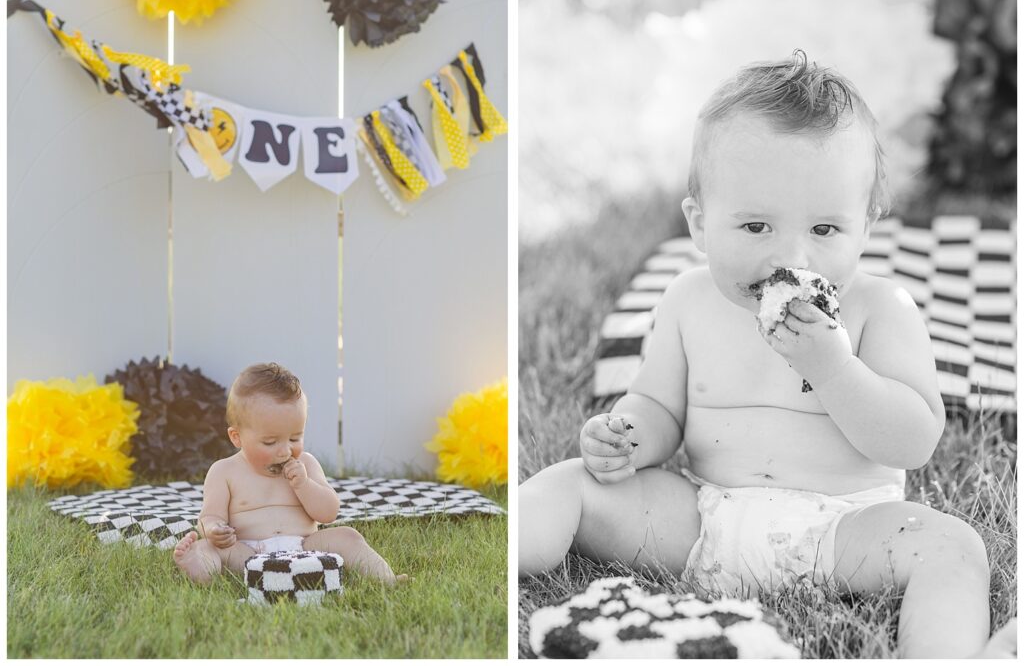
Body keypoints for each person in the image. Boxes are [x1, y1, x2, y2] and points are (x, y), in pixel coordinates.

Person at [518, 51, 1015, 658]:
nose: (793, 259)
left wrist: (834, 369)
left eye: (825, 231)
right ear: (699, 226)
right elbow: (658, 405)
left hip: (843, 531)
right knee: (569, 484)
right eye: (756, 228)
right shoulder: (687, 300)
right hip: (702, 518)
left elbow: (912, 441)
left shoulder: (882, 310)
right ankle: (498, 566)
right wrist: (628, 436)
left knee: (953, 547)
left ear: (868, 226)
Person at [173, 362, 405, 585]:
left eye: (295, 438)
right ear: (237, 437)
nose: (285, 450)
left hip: (306, 548)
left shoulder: (306, 464)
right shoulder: (224, 471)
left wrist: (303, 485)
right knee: (208, 548)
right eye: (270, 441)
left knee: (348, 536)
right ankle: (199, 569)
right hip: (248, 554)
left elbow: (328, 513)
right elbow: (209, 516)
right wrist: (214, 530)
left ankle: (386, 579)